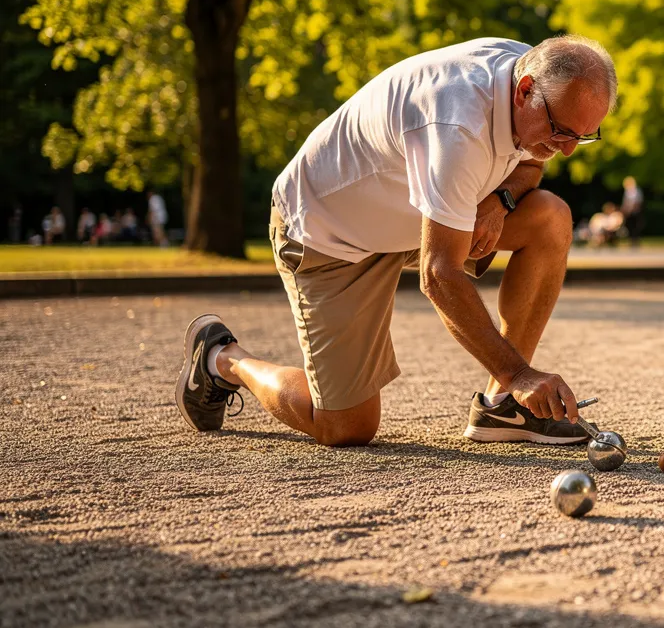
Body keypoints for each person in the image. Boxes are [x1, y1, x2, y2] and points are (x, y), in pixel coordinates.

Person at [173, 35, 616, 448]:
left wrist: (500, 200)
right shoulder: (457, 121)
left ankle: (502, 408)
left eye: (583, 135)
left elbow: (529, 161)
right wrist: (520, 372)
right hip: (329, 235)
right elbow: (438, 275)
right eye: (561, 130)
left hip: (416, 216)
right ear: (523, 91)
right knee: (346, 428)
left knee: (550, 219)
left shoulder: (536, 76)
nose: (568, 150)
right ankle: (222, 358)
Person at [619, 176, 645, 247]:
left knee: (636, 227)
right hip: (629, 212)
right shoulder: (627, 192)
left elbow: (637, 202)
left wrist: (631, 209)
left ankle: (635, 241)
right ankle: (632, 241)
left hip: (635, 212)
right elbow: (626, 202)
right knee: (630, 227)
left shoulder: (636, 191)